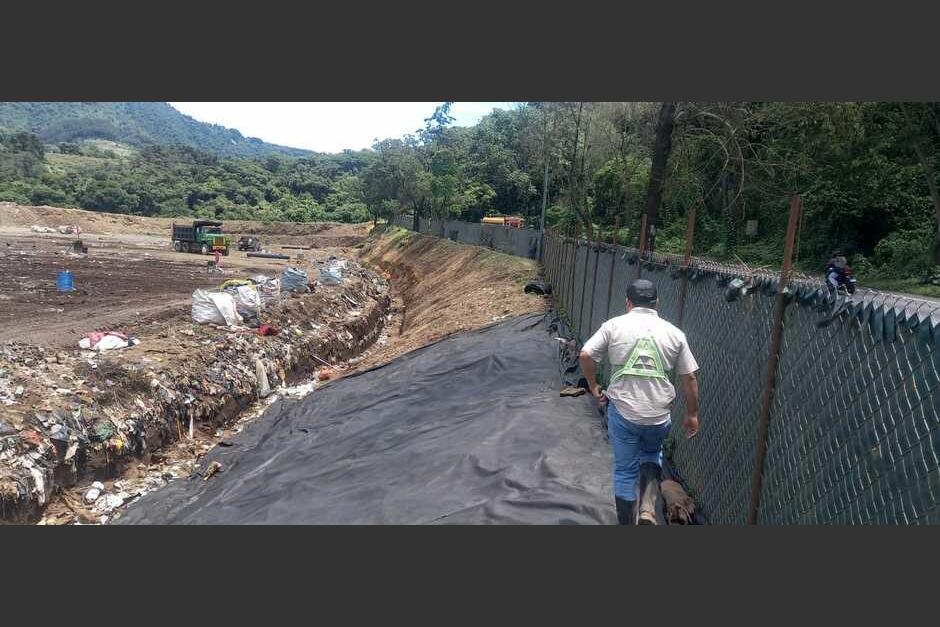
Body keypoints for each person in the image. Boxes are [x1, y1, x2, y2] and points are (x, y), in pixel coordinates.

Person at [579, 279, 700, 525]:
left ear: (628, 302)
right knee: (652, 453)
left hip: (623, 413)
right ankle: (647, 509)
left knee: (625, 472)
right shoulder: (675, 333)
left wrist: (593, 385)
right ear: (657, 303)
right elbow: (689, 377)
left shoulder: (614, 326)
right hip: (658, 415)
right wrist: (692, 414)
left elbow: (586, 354)